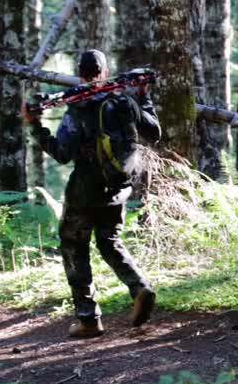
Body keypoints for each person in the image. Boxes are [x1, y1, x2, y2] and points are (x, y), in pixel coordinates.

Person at [23, 49, 160, 339]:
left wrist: (35, 127)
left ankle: (88, 319)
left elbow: (61, 153)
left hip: (86, 187)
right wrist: (143, 95)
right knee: (109, 239)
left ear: (80, 73)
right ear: (105, 72)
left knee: (73, 243)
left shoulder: (79, 109)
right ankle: (139, 287)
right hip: (120, 184)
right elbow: (154, 132)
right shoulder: (125, 100)